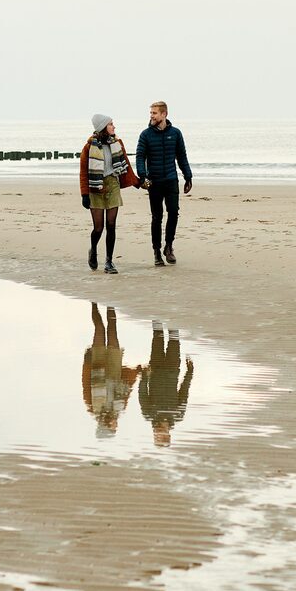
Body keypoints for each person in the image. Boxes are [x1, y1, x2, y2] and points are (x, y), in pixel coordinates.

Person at [79, 113, 146, 274]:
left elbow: (126, 166)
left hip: (113, 184)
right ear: (103, 127)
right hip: (96, 187)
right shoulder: (89, 147)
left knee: (111, 225)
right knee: (98, 228)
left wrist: (139, 182)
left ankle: (109, 261)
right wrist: (85, 194)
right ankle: (93, 250)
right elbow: (83, 172)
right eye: (110, 124)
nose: (114, 127)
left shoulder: (117, 143)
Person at [135, 100, 192, 267]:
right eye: (151, 113)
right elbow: (140, 156)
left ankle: (169, 246)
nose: (151, 116)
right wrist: (143, 175)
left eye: (154, 113)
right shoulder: (145, 135)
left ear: (164, 114)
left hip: (171, 179)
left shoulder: (175, 133)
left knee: (173, 212)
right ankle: (156, 252)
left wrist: (188, 176)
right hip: (154, 181)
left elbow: (182, 156)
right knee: (157, 217)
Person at [82, 303, 142, 436]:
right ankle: (110, 304)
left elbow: (86, 384)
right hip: (115, 370)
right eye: (115, 428)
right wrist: (137, 372)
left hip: (97, 363)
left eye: (112, 428)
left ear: (104, 425)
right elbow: (127, 387)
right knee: (113, 330)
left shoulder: (93, 407)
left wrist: (86, 363)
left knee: (99, 328)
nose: (116, 425)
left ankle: (94, 303)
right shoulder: (119, 408)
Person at [138, 322, 194, 447]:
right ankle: (172, 315)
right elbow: (184, 391)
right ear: (168, 435)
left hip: (155, 369)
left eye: (156, 437)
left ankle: (156, 311)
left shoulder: (148, 414)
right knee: (174, 338)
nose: (157, 433)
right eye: (160, 437)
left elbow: (142, 393)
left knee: (158, 336)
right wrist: (189, 372)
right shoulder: (178, 415)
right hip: (172, 369)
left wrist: (144, 376)